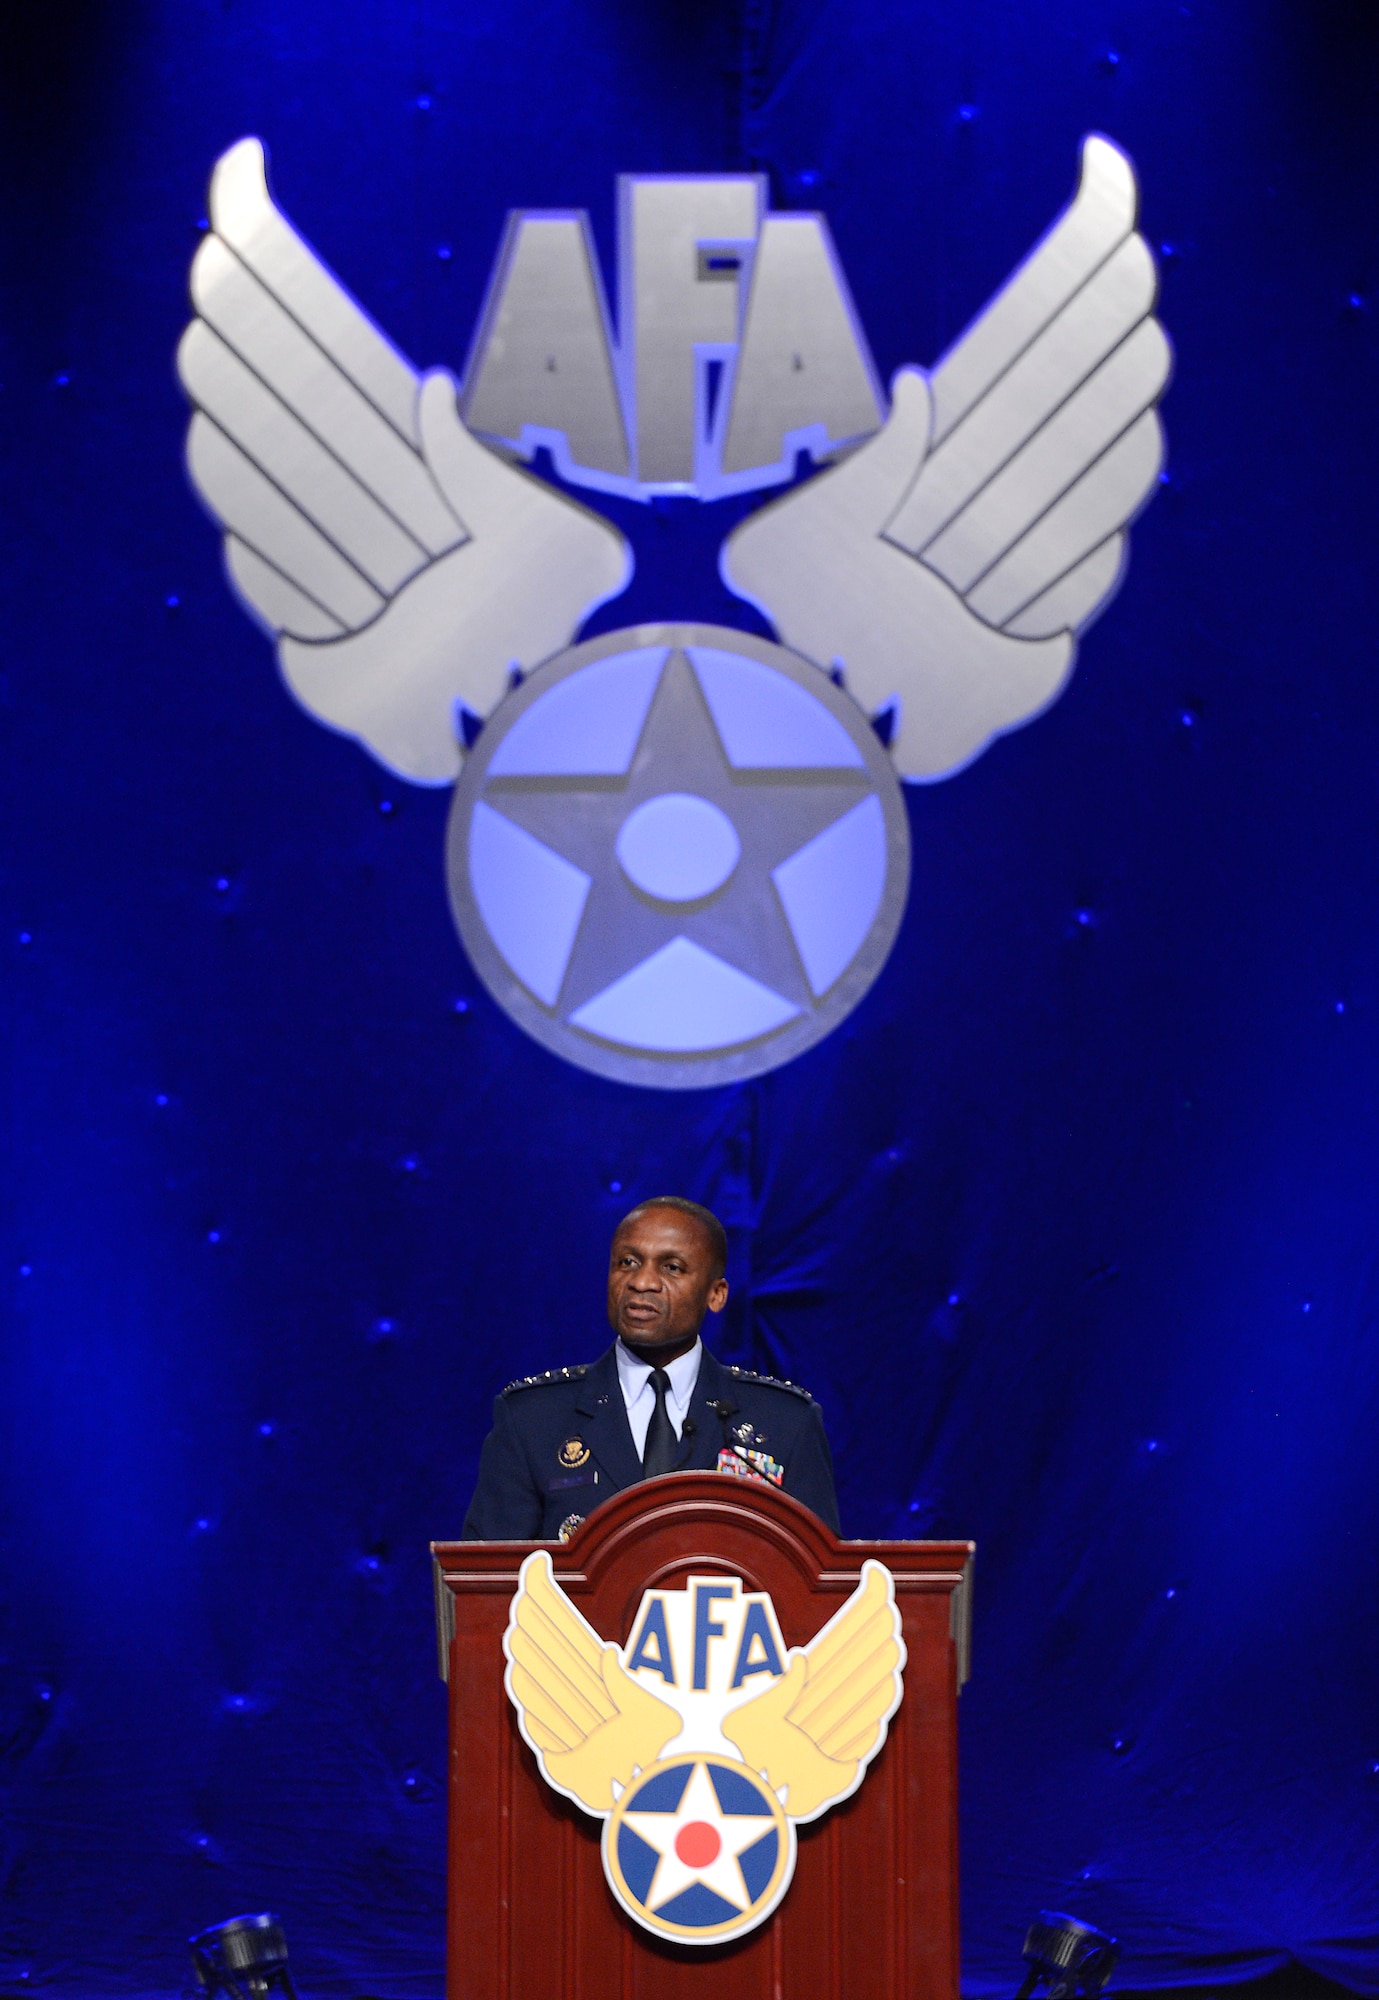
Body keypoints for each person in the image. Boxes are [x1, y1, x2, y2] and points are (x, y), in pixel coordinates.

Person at [462, 1196, 839, 1540]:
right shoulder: (531, 1419)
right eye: (627, 1262)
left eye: (672, 1268)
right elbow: (487, 1590)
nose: (641, 1282)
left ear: (716, 1294)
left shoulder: (785, 1424)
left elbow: (818, 1590)